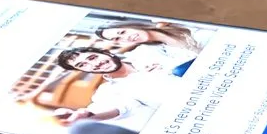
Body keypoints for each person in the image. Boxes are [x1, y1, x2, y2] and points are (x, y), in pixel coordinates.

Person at [52, 47, 181, 125]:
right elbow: (118, 108)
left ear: (107, 52)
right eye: (82, 65)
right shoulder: (108, 92)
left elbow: (187, 53)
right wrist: (88, 115)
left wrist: (169, 66)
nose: (95, 64)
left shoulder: (144, 53)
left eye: (92, 58)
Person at [95, 21, 217, 54]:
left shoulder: (174, 22)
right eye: (117, 39)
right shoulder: (158, 52)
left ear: (130, 26)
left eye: (122, 32)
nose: (127, 37)